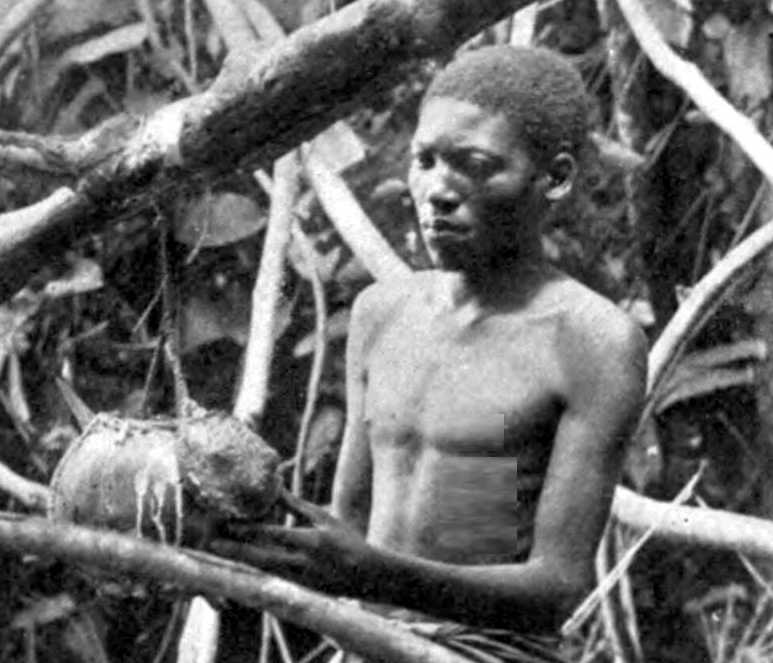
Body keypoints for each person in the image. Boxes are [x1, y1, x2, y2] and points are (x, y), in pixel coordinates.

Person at [211, 45, 648, 662]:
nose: (438, 190)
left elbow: (556, 588)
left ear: (555, 178)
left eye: (475, 165)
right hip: (363, 643)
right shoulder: (381, 313)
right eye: (426, 160)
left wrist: (369, 577)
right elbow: (351, 524)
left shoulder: (591, 339)